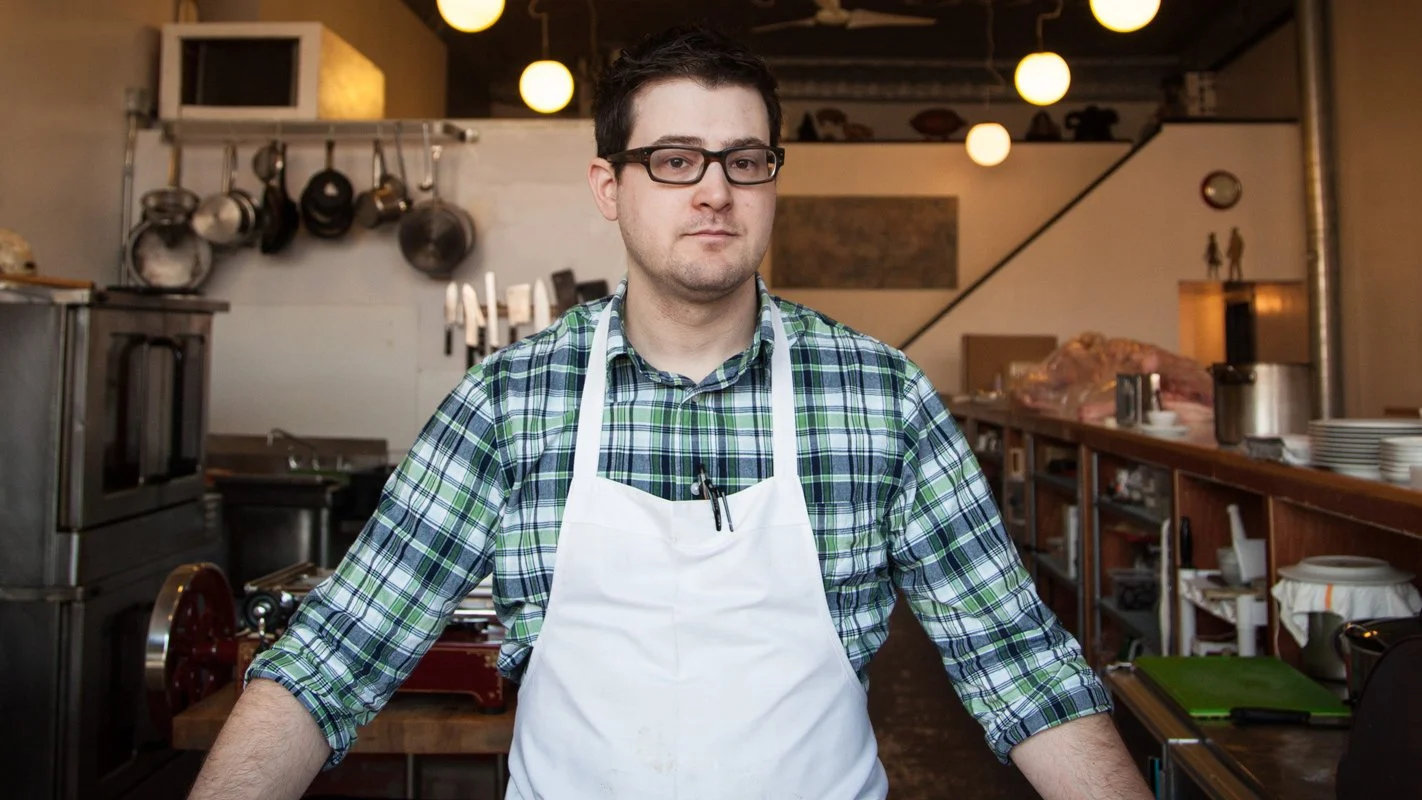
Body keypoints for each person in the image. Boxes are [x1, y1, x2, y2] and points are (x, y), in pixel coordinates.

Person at [188, 24, 1153, 800]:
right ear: (610, 186)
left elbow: (1021, 668)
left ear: (774, 181)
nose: (717, 193)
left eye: (745, 160)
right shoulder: (510, 402)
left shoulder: (881, 398)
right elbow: (338, 655)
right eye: (676, 160)